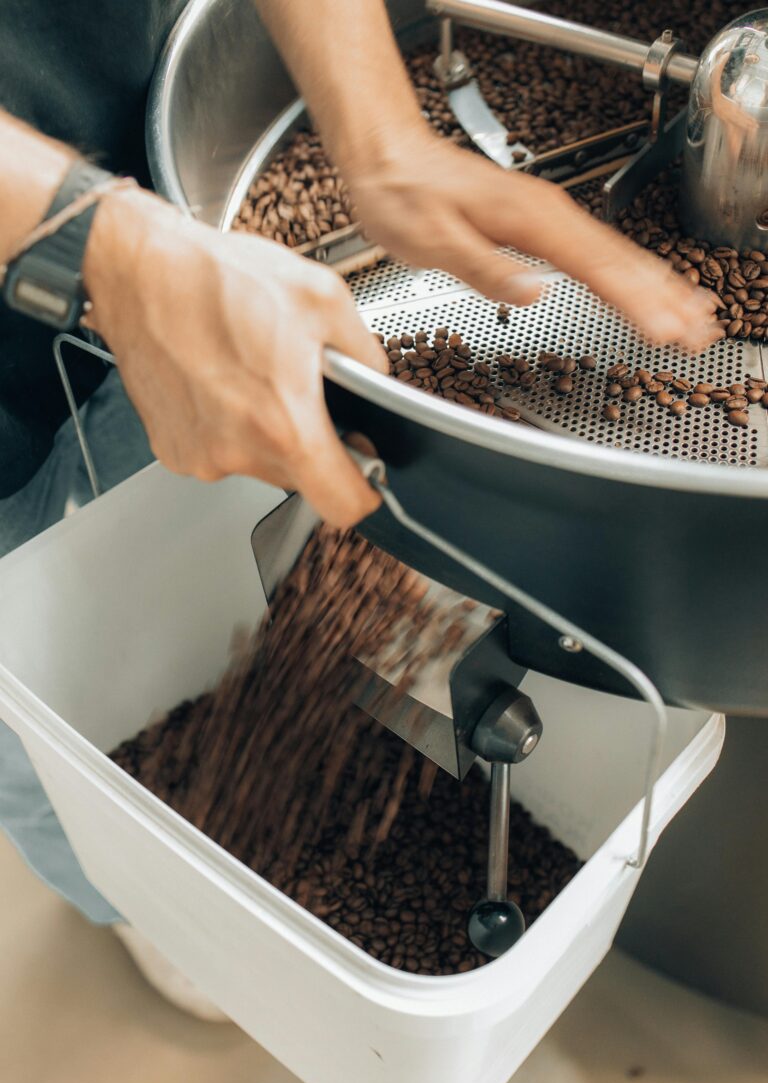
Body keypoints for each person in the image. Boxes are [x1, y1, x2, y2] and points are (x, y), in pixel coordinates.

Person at [0, 0, 720, 1018]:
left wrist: (374, 121)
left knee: (179, 527)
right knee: (37, 699)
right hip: (66, 222)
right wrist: (93, 242)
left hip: (125, 151)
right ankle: (135, 895)